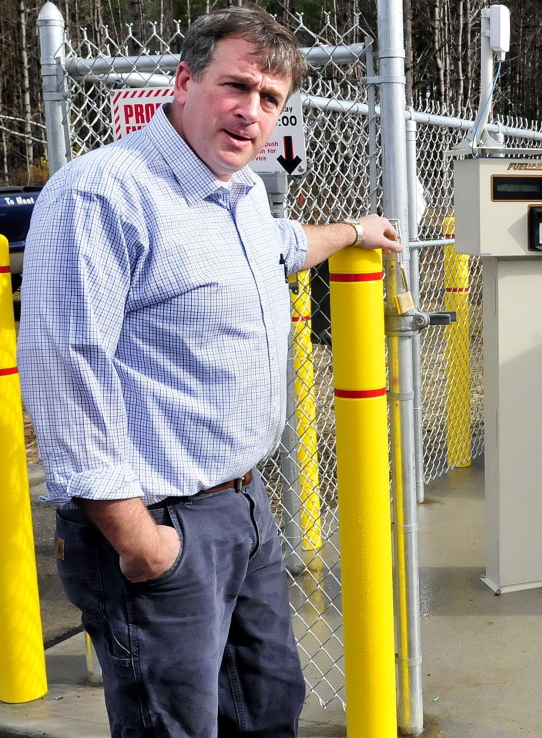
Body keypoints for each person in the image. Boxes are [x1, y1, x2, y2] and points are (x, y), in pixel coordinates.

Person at [17, 6, 401, 737]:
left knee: (266, 709)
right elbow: (65, 372)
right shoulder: (102, 193)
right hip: (156, 525)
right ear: (184, 80)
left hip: (245, 513)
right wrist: (139, 542)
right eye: (237, 86)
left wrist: (354, 231)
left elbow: (279, 246)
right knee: (174, 726)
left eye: (269, 100)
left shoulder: (240, 192)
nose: (250, 113)